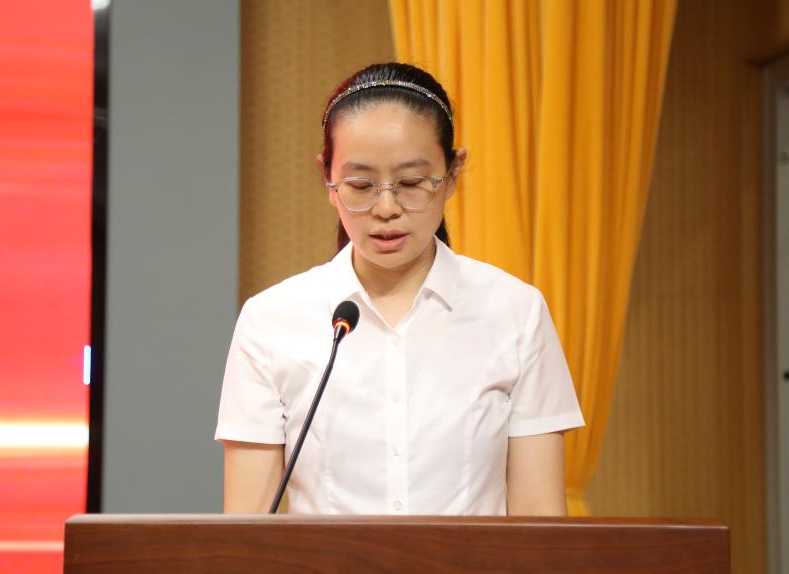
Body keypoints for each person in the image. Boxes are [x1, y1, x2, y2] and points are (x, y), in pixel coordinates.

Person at [216, 63, 584, 515]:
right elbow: (248, 528)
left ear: (452, 174)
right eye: (361, 185)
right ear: (327, 179)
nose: (386, 208)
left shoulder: (515, 312)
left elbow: (539, 523)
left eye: (411, 183)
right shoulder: (270, 321)